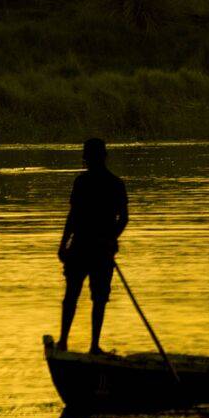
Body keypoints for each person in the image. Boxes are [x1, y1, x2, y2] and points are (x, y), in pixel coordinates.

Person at [57, 138, 129, 354]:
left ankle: (75, 344)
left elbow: (123, 218)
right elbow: (74, 215)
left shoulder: (108, 184)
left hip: (91, 249)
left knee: (88, 297)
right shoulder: (99, 183)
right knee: (84, 297)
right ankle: (76, 343)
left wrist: (109, 239)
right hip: (87, 248)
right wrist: (64, 244)